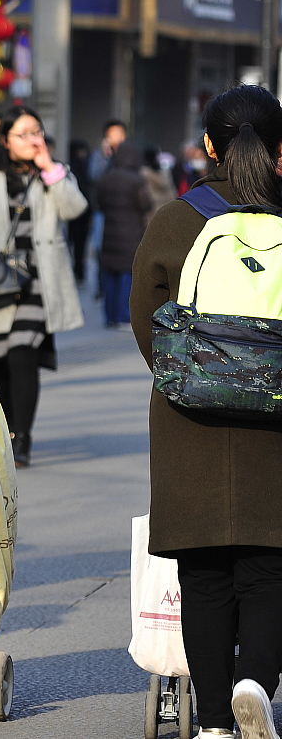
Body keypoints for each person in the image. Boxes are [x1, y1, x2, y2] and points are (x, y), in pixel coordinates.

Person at [131, 84, 282, 739]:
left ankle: (216, 722)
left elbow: (146, 322)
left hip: (188, 426)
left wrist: (191, 380)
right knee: (269, 570)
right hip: (275, 433)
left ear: (209, 147)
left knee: (206, 581)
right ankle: (258, 682)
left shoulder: (174, 219)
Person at [0, 107, 87, 468]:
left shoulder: (53, 173)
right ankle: (5, 433)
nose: (33, 139)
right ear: (6, 140)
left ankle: (23, 438)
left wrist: (50, 168)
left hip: (38, 282)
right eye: (24, 133)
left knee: (21, 352)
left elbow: (75, 209)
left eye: (37, 132)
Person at [95, 144, 151, 329]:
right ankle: (123, 315)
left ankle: (109, 316)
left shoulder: (106, 178)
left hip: (109, 231)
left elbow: (99, 203)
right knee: (127, 275)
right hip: (130, 232)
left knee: (110, 274)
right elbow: (145, 204)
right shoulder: (136, 180)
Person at [67, 139, 94, 284]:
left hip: (72, 214)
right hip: (82, 213)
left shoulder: (69, 167)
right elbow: (88, 192)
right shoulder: (83, 167)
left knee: (70, 244)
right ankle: (79, 271)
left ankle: (75, 271)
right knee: (80, 246)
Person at [140, 145, 177, 219]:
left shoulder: (142, 174)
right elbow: (172, 191)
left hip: (151, 211)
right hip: (168, 208)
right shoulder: (166, 172)